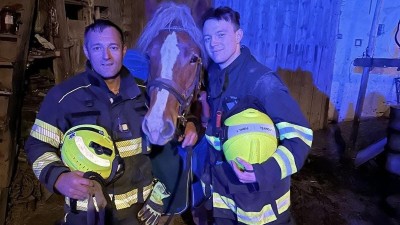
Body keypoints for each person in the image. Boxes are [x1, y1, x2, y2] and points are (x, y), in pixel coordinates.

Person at [25, 19, 198, 225]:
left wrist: (190, 123)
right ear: (87, 51)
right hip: (88, 213)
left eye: (113, 47)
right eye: (97, 48)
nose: (106, 56)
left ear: (124, 50)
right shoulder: (64, 97)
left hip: (140, 214)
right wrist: (59, 178)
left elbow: (169, 127)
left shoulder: (146, 93)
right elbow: (37, 145)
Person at [199, 6, 314, 225]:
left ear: (238, 35)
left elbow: (301, 136)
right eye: (207, 38)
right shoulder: (214, 73)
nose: (213, 43)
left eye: (221, 34)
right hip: (223, 197)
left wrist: (263, 172)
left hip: (259, 205)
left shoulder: (262, 82)